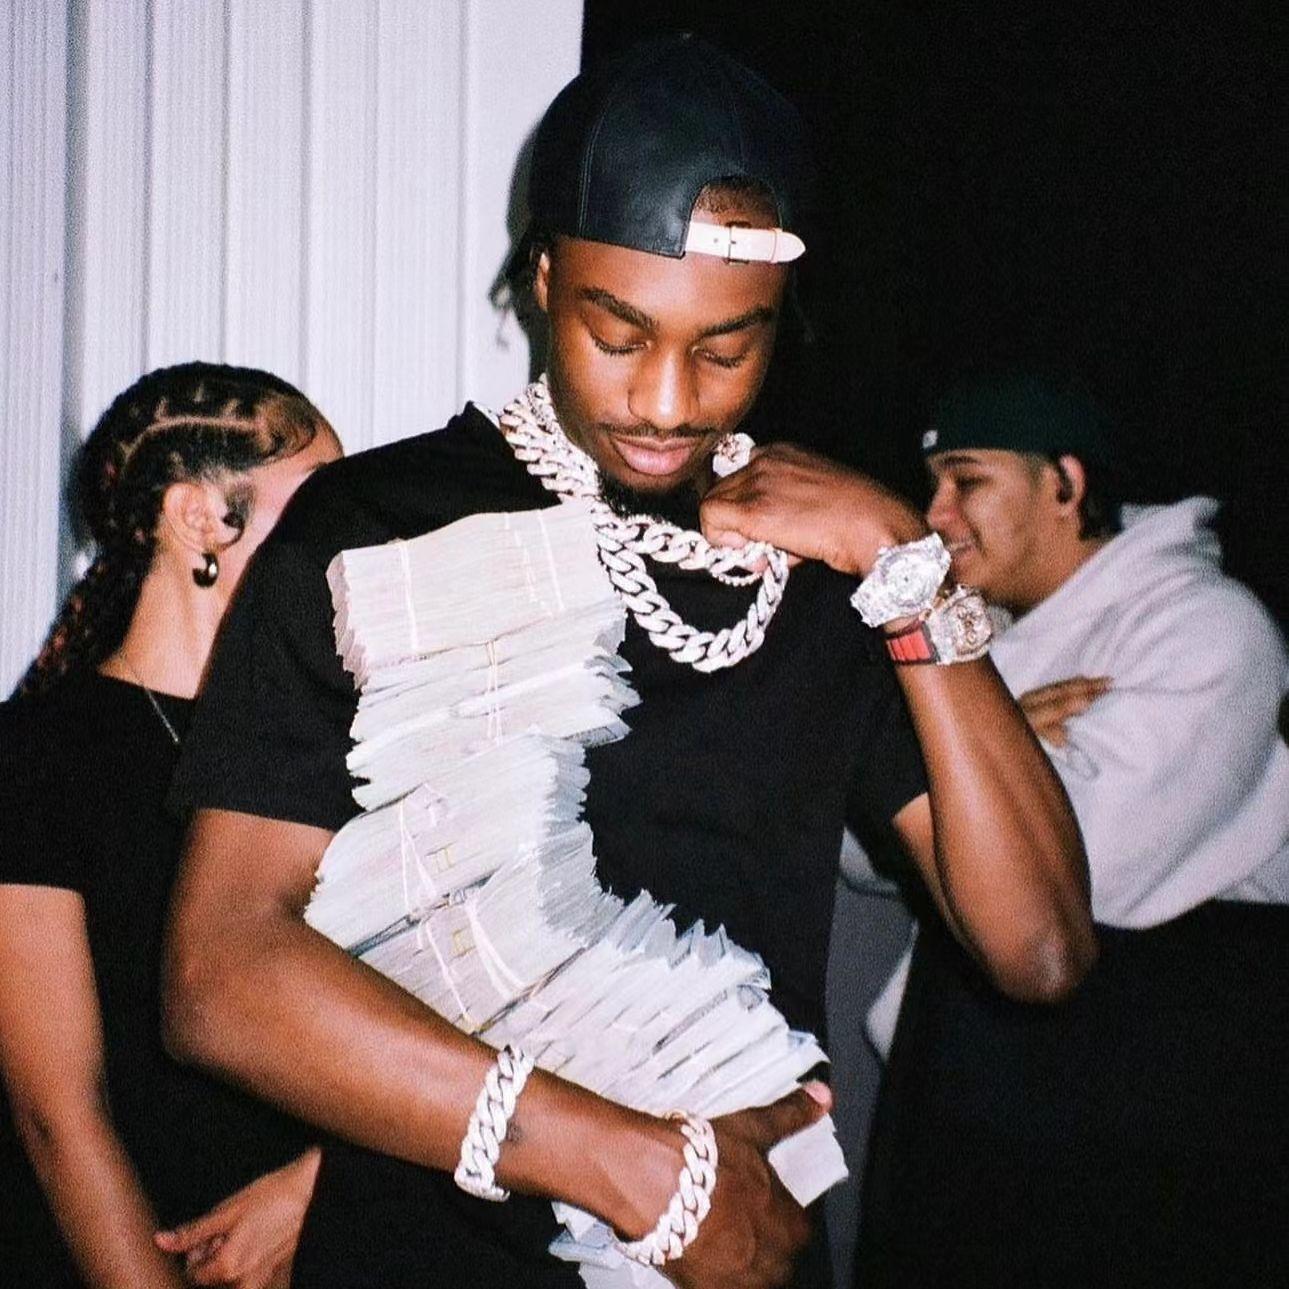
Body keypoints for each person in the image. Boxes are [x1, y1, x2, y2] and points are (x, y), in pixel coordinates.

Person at [161, 39, 1095, 1289]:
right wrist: (639, 1169)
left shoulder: (826, 566)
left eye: (725, 349)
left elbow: (1040, 946)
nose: (664, 399)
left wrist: (902, 566)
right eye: (618, 333)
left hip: (738, 1256)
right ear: (545, 279)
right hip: (438, 1250)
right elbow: (220, 975)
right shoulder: (377, 526)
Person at [857, 371, 1289, 1288]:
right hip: (972, 1095)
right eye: (929, 484)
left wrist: (973, 745)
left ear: (1065, 483)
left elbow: (1078, 870)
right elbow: (856, 844)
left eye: (966, 479)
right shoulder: (979, 643)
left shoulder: (1208, 629)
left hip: (1146, 1120)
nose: (933, 515)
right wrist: (1004, 731)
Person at [0, 363, 342, 1289]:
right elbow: (57, 1115)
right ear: (199, 520)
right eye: (318, 500)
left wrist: (319, 1187)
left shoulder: (339, 750)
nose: (348, 533)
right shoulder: (35, 754)